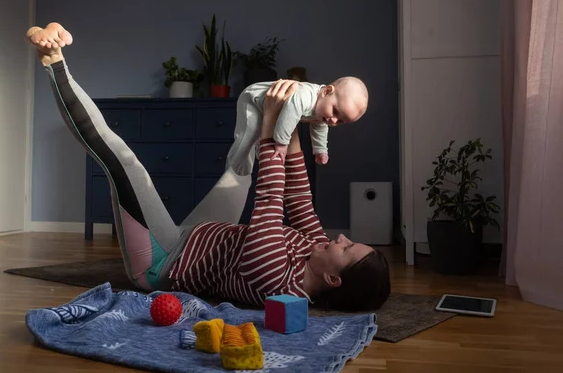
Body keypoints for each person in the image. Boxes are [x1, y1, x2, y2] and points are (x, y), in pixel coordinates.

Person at [26, 22, 390, 312]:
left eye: (347, 249)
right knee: (241, 170)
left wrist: (270, 126)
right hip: (205, 238)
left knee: (122, 162)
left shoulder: (278, 282)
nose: (340, 238)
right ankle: (56, 59)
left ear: (333, 280)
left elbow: (269, 202)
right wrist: (293, 116)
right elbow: (297, 197)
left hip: (168, 260)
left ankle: (54, 61)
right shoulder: (317, 246)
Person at [226, 77, 369, 176]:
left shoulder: (322, 110)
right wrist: (282, 142)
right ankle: (233, 167)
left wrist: (320, 150)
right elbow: (289, 114)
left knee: (260, 136)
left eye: (340, 121)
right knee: (248, 134)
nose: (333, 120)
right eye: (335, 111)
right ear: (326, 92)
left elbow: (319, 127)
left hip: (269, 107)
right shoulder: (305, 96)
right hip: (253, 99)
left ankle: (258, 156)